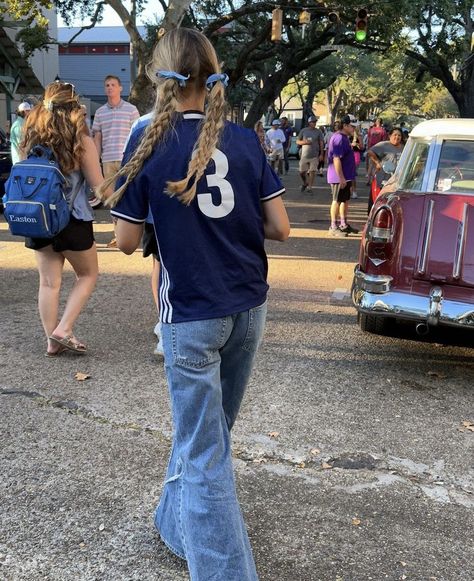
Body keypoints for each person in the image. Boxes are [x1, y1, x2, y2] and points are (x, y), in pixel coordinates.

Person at [99, 28, 290, 580]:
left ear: (160, 78)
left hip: (191, 314)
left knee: (206, 454)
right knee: (208, 436)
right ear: (212, 75)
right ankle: (175, 523)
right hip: (248, 309)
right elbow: (278, 225)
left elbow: (128, 241)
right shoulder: (246, 138)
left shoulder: (147, 139)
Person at [20, 81, 107, 356]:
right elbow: (98, 186)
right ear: (74, 106)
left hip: (38, 218)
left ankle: (51, 341)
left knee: (48, 283)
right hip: (72, 219)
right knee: (88, 274)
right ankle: (64, 328)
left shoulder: (31, 136)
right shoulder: (81, 140)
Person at [92, 75, 139, 244]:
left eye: (113, 85)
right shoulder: (99, 112)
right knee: (112, 198)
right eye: (107, 85)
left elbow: (137, 136)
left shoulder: (131, 110)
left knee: (129, 195)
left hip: (127, 160)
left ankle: (130, 234)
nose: (110, 87)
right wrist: (95, 161)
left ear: (120, 88)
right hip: (107, 160)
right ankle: (118, 235)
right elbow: (97, 138)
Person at [326, 114, 359, 237]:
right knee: (337, 200)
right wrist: (341, 177)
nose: (353, 129)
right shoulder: (339, 138)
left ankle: (343, 224)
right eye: (352, 126)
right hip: (338, 177)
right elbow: (336, 159)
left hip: (346, 176)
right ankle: (333, 226)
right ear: (345, 125)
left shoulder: (344, 138)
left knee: (344, 200)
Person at [367, 127, 405, 212]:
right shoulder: (383, 145)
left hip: (396, 181)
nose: (397, 137)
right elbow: (370, 152)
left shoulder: (404, 148)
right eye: (395, 135)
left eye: (399, 135)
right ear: (390, 136)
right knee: (378, 202)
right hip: (383, 180)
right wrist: (377, 163)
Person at [296, 115, 324, 192]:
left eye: (315, 122)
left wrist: (321, 154)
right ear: (309, 123)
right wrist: (304, 142)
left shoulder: (318, 131)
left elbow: (321, 143)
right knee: (301, 172)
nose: (314, 123)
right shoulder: (303, 131)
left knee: (312, 171)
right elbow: (297, 141)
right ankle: (305, 183)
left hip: (314, 155)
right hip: (304, 155)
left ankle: (310, 187)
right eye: (312, 122)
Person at [366, 118, 387, 183]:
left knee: (370, 165)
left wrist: (368, 148)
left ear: (376, 122)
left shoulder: (371, 130)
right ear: (381, 123)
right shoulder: (383, 131)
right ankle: (373, 180)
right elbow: (384, 142)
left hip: (371, 148)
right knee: (376, 165)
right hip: (379, 149)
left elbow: (368, 140)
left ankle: (368, 180)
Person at [350, 121, 364, 199]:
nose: (353, 128)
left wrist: (356, 144)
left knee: (352, 175)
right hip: (347, 155)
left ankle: (354, 191)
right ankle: (348, 190)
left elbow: (362, 147)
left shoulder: (359, 136)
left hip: (355, 155)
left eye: (354, 126)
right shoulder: (347, 135)